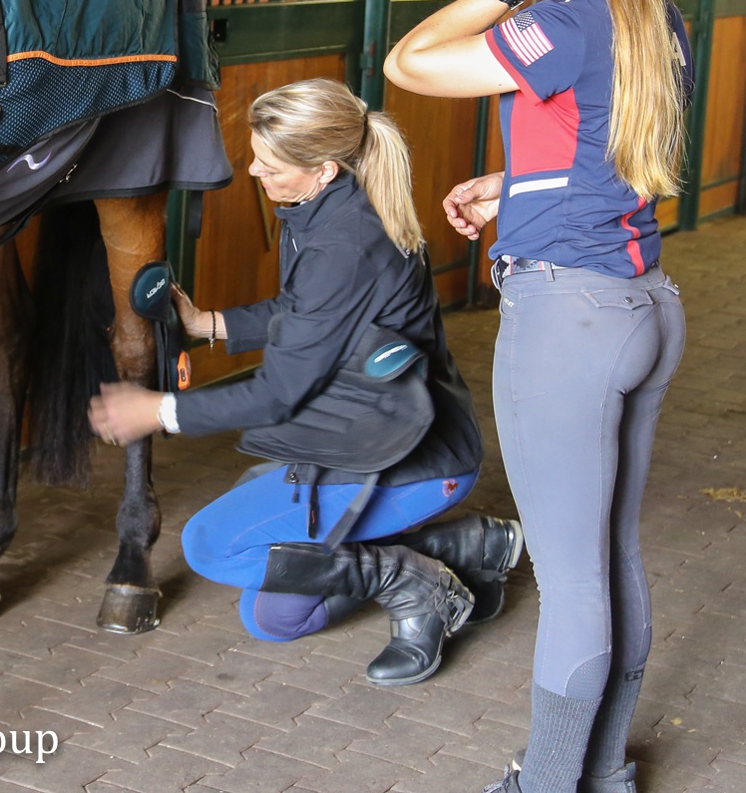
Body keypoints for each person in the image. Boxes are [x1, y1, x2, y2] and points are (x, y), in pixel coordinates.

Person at [384, 0, 691, 793]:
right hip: (646, 306)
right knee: (612, 555)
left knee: (570, 581)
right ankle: (599, 777)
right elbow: (611, 155)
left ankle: (550, 787)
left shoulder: (561, 16)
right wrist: (512, 188)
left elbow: (411, 59)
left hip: (572, 321)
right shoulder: (652, 15)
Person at [89, 77, 521, 687]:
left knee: (213, 546)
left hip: (406, 454)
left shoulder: (345, 241)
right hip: (372, 429)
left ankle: (419, 584)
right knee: (274, 616)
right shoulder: (326, 209)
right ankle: (466, 546)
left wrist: (158, 412)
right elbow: (307, 314)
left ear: (322, 169)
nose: (254, 171)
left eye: (270, 163)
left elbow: (278, 392)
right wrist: (207, 323)